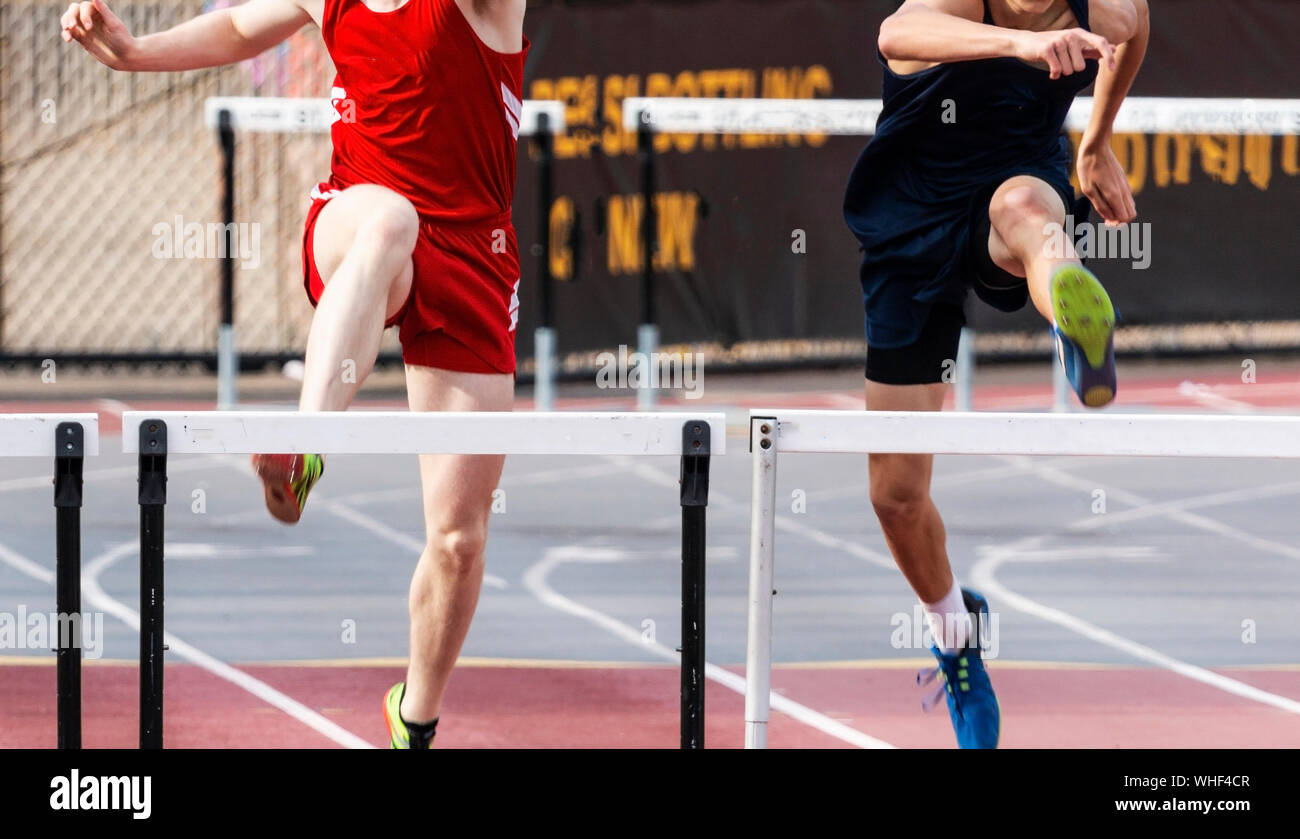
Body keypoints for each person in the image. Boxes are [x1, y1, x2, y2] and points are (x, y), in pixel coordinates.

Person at [63, 0, 530, 748]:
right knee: (389, 222)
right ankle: (305, 447)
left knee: (458, 541)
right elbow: (243, 28)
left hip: (476, 256)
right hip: (357, 224)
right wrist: (132, 52)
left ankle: (415, 716)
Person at [843, 0, 1149, 748]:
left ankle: (1076, 322)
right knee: (896, 494)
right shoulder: (965, 4)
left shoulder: (1105, 8)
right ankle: (955, 635)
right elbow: (894, 33)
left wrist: (1097, 142)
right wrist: (1022, 43)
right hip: (911, 219)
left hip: (1014, 182)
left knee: (1029, 212)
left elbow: (1133, 33)